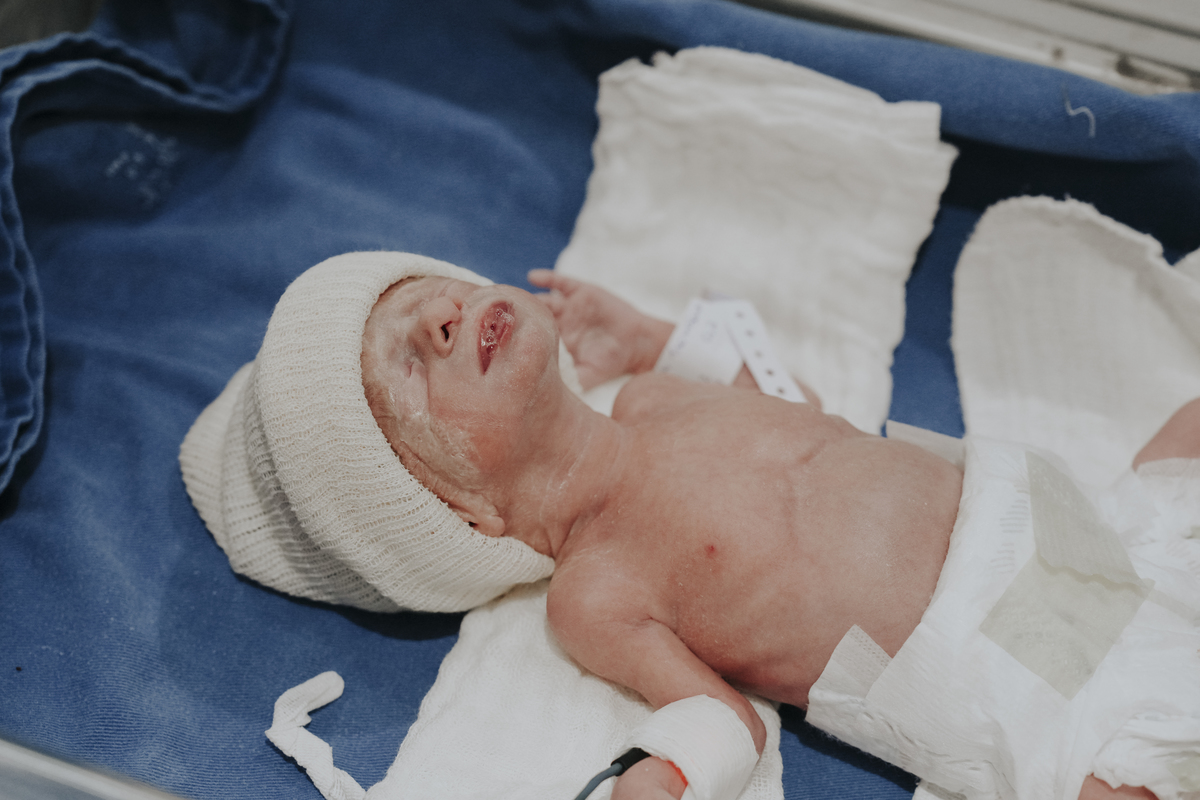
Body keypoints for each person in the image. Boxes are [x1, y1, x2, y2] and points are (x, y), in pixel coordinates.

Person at [180, 252, 1200, 800]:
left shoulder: (655, 396)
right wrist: (660, 777)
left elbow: (801, 406)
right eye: (410, 362)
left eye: (421, 291)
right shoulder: (594, 591)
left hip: (1078, 527)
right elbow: (721, 720)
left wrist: (660, 337)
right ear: (452, 510)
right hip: (1017, 680)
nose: (439, 314)